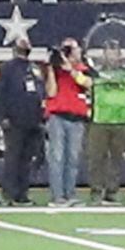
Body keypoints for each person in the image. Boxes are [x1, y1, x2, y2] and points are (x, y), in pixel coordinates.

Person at [0, 39, 45, 206]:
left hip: (32, 120)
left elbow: (40, 92)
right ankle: (9, 194)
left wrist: (40, 116)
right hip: (14, 120)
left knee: (26, 159)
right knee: (13, 158)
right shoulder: (7, 68)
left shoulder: (34, 68)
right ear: (14, 49)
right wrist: (2, 117)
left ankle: (22, 194)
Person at [42, 38, 91, 207]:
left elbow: (88, 84)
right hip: (58, 116)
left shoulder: (83, 69)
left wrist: (71, 70)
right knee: (57, 157)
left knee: (73, 158)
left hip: (77, 118)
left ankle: (70, 194)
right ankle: (58, 196)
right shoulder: (56, 71)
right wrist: (51, 68)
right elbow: (51, 92)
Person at [87, 52, 125, 206]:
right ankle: (96, 192)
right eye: (108, 54)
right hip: (101, 119)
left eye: (115, 54)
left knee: (116, 159)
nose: (112, 58)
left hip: (122, 120)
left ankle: (112, 192)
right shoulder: (95, 73)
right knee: (96, 158)